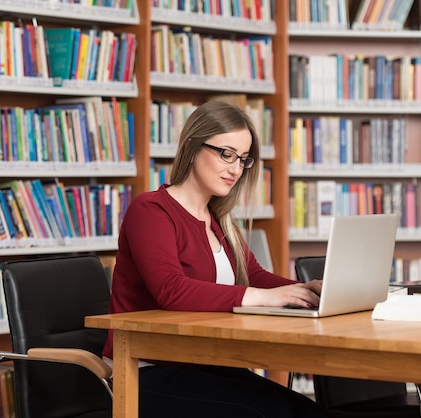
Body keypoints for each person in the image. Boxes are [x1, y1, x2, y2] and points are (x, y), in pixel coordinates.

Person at [102, 100, 326, 418]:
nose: (235, 169)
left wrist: (306, 290)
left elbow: (254, 276)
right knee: (270, 411)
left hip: (201, 361)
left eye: (243, 160)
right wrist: (267, 298)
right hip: (143, 369)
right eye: (226, 154)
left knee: (307, 410)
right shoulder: (151, 210)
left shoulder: (218, 218)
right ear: (194, 146)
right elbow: (171, 289)